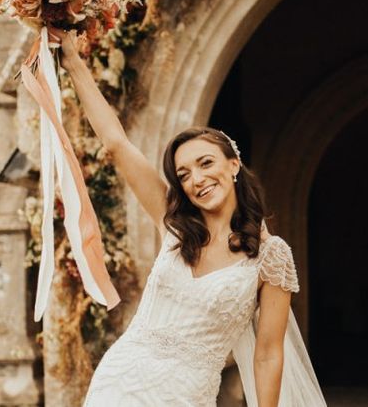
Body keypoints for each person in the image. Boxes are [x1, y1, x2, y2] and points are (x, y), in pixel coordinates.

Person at [49, 29, 325, 407]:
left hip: (187, 393)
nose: (196, 179)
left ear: (233, 164)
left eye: (206, 163)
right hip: (121, 381)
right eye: (183, 174)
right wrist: (74, 63)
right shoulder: (174, 223)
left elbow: (267, 353)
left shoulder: (270, 256)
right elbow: (116, 144)